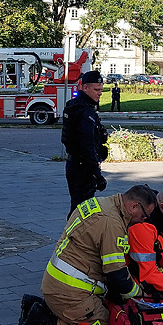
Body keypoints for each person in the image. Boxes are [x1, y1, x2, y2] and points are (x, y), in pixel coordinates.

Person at [15, 185, 158, 325]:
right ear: (133, 206)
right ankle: (43, 323)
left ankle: (43, 306)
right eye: (144, 216)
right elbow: (116, 274)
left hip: (58, 282)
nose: (143, 220)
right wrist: (139, 293)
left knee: (105, 311)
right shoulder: (112, 222)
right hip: (69, 291)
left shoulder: (101, 203)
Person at [61, 70, 109, 216]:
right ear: (85, 88)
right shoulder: (84, 112)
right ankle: (72, 238)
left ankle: (74, 237)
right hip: (82, 167)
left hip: (76, 164)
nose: (99, 93)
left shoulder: (75, 106)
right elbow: (86, 145)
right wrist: (97, 174)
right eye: (96, 90)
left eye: (101, 90)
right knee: (82, 211)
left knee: (79, 208)